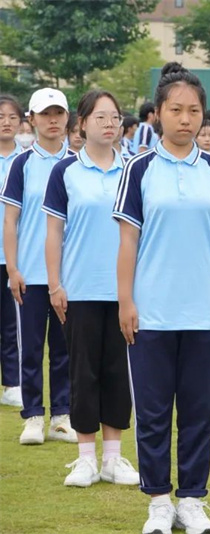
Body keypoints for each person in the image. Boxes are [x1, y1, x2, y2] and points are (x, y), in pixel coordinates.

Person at [114, 62, 210, 534]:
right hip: (152, 312)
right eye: (175, 110)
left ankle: (191, 499)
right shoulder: (139, 169)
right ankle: (158, 502)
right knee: (152, 413)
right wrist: (126, 301)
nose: (185, 119)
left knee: (199, 412)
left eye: (193, 111)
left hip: (205, 311)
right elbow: (128, 240)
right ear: (158, 114)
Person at [43, 89, 139, 488]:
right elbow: (54, 232)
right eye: (100, 117)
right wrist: (55, 284)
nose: (109, 124)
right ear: (81, 123)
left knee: (118, 373)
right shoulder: (65, 172)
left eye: (114, 117)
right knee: (82, 373)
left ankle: (113, 458)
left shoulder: (133, 170)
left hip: (123, 292)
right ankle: (86, 458)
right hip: (80, 289)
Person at [1, 88, 75, 445]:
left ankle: (61, 415)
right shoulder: (22, 163)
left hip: (68, 274)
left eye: (58, 113)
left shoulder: (77, 162)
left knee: (65, 349)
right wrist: (13, 268)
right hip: (30, 272)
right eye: (45, 114)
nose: (52, 120)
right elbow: (10, 219)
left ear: (68, 118)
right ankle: (32, 416)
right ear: (31, 120)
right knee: (30, 348)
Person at [0, 95, 23, 407]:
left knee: (11, 324)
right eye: (0, 117)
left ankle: (12, 383)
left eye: (12, 117)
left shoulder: (26, 160)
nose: (6, 122)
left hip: (13, 255)